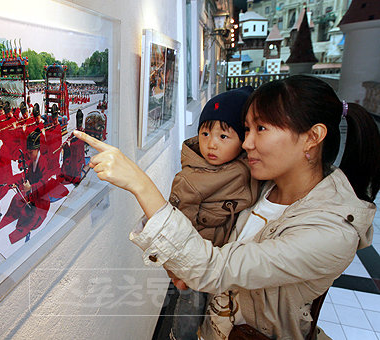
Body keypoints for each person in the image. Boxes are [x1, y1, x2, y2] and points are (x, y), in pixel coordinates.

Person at [73, 75, 380, 340]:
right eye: (247, 130)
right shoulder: (261, 183)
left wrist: (140, 183)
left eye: (261, 129)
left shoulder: (330, 232)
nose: (247, 143)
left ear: (312, 137)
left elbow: (217, 268)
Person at [168, 87, 259, 340]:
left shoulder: (247, 164)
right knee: (191, 305)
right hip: (199, 259)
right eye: (205, 133)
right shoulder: (190, 179)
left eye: (223, 136)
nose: (211, 143)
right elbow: (178, 225)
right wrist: (179, 266)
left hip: (226, 262)